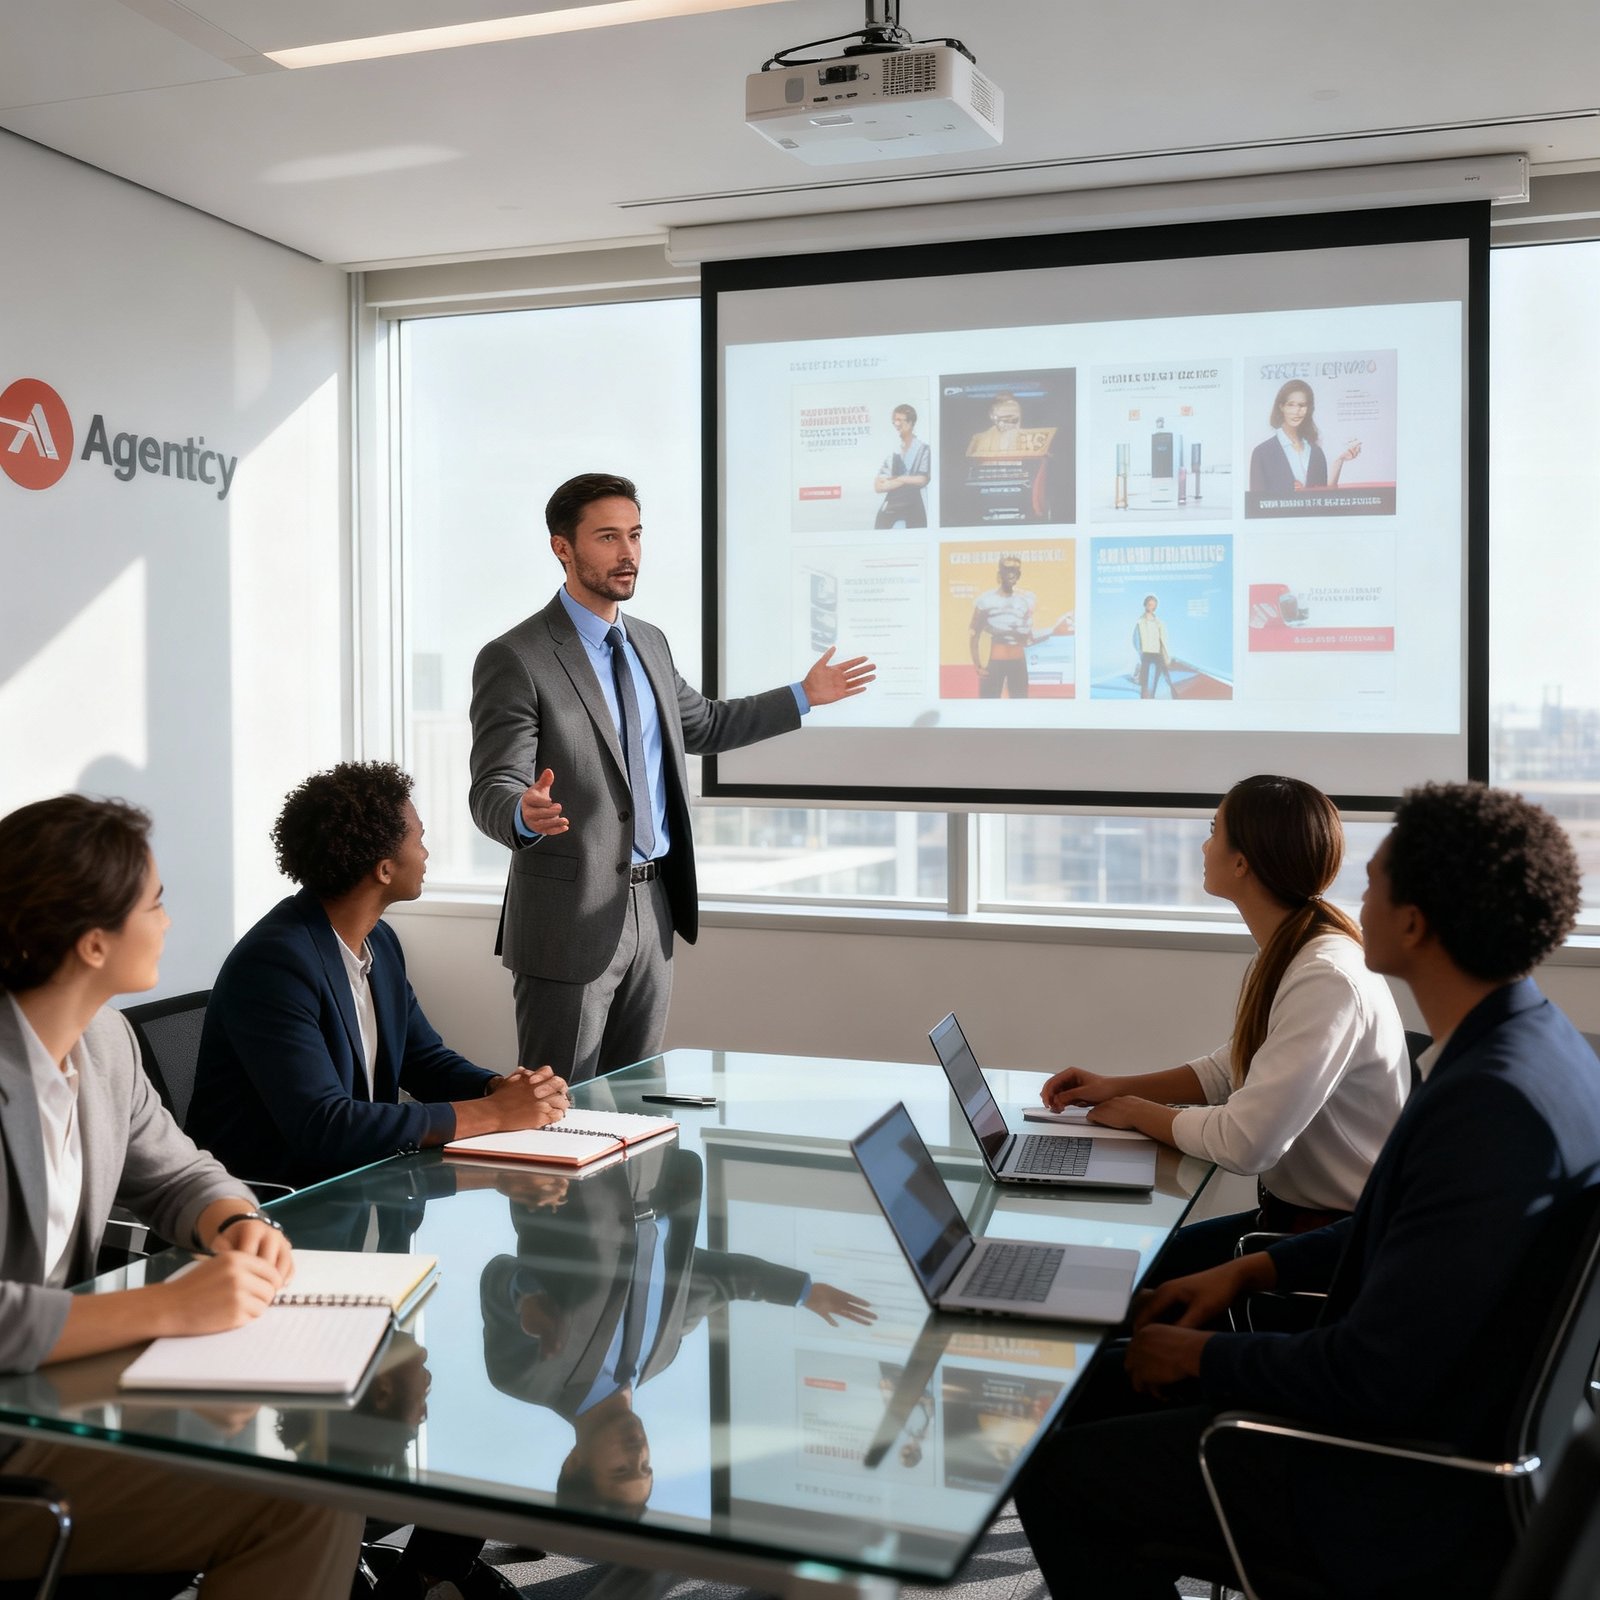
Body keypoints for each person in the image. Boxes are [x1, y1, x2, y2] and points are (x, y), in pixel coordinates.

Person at [1015, 782, 1600, 1599]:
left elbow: (1374, 1372)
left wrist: (1205, 1353)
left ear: (1415, 921)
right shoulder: (1534, 1051)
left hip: (1382, 1480)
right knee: (1100, 1384)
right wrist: (1250, 1271)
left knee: (1056, 1472)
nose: (1356, 893)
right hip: (1418, 1421)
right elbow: (1408, 1237)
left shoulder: (1486, 1109)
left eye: (1378, 878)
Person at [0, 794, 362, 1596]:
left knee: (321, 1434)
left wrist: (232, 1219)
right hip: (16, 1440)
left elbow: (174, 1169)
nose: (169, 920)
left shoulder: (103, 1039)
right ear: (93, 942)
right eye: (155, 902)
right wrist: (171, 1308)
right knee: (305, 1498)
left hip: (52, 1391)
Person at [468, 472, 875, 1083]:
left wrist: (802, 696)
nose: (628, 553)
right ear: (563, 548)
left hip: (653, 906)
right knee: (557, 1111)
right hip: (568, 918)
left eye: (634, 535)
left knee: (636, 1104)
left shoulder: (648, 643)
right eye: (607, 537)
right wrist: (522, 815)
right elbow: (493, 785)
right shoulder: (516, 656)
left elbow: (705, 725)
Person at [1043, 775, 1408, 1277]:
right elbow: (1229, 1070)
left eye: (1215, 829)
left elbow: (1245, 1143)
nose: (1204, 843)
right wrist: (1117, 1087)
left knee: (1120, 1278)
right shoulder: (1295, 946)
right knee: (1123, 1269)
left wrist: (1138, 1112)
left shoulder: (1326, 976)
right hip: (1295, 1222)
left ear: (1242, 862)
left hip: (1329, 1246)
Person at [190, 761, 570, 1189]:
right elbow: (326, 1125)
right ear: (384, 869)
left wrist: (498, 1088)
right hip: (274, 1207)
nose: (426, 853)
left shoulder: (380, 943)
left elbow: (422, 1061)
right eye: (419, 839)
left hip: (361, 1186)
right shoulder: (275, 964)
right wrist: (496, 1113)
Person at [478, 1144, 874, 1518]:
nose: (637, 1454)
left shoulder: (524, 1378)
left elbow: (497, 1276)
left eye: (621, 1469)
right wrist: (803, 1293)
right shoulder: (661, 1356)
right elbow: (715, 1280)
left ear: (574, 1462)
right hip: (656, 1161)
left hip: (577, 1161)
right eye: (646, 1467)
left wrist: (526, 1297)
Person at [1247, 379, 1362, 496]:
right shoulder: (1262, 453)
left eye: (1302, 405)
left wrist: (1339, 461)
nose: (1296, 411)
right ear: (1281, 407)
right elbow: (1257, 505)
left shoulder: (1316, 452)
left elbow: (1325, 499)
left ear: (1308, 409)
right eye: (1291, 405)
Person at [969, 555, 1048, 699]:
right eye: (1008, 570)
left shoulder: (1027, 599)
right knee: (987, 708)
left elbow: (1028, 634)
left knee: (1020, 706)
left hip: (1018, 663)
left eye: (1016, 571)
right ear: (1000, 574)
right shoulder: (985, 601)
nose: (1012, 574)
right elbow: (974, 634)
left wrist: (1050, 632)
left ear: (1019, 575)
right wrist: (977, 665)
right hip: (993, 664)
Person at [873, 402, 931, 528]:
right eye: (894, 421)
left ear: (910, 423)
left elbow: (922, 479)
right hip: (892, 504)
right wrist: (908, 480)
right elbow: (878, 486)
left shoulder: (923, 449)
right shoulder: (893, 451)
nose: (896, 424)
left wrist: (897, 478)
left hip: (914, 506)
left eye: (900, 420)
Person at [1132, 593, 1174, 699]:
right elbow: (1135, 639)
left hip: (1157, 653)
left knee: (1158, 676)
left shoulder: (1159, 622)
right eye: (1149, 604)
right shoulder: (1140, 622)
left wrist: (1165, 654)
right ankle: (1145, 697)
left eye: (1153, 605)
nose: (1151, 607)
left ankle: (1155, 696)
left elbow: (1163, 639)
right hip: (1146, 653)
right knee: (1145, 678)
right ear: (1145, 605)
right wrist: (1140, 651)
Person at [965, 391, 1025, 456]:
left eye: (1016, 418)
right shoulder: (979, 442)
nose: (1013, 423)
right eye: (1007, 417)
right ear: (993, 416)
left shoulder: (1031, 440)